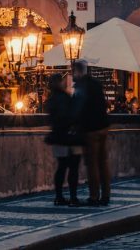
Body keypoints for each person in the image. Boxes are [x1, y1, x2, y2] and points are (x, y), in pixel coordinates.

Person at [72, 60, 111, 206]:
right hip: (103, 126)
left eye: (74, 71)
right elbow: (103, 103)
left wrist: (75, 122)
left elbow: (78, 108)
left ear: (78, 71)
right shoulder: (96, 83)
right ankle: (106, 195)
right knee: (103, 162)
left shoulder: (81, 86)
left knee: (92, 163)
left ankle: (94, 196)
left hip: (91, 129)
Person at [46, 73, 81, 206]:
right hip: (70, 136)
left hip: (58, 136)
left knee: (61, 167)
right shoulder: (65, 97)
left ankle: (59, 196)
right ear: (59, 82)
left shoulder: (51, 99)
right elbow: (71, 114)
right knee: (73, 167)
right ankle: (73, 197)